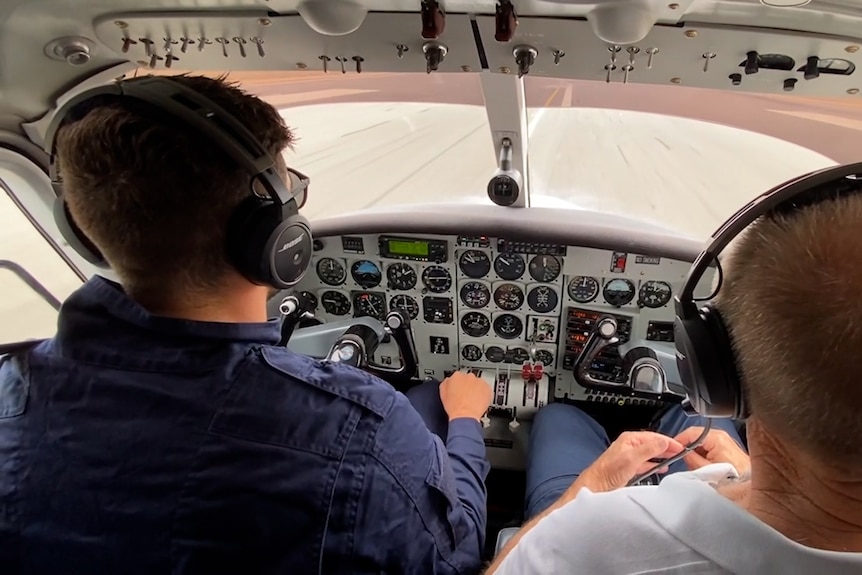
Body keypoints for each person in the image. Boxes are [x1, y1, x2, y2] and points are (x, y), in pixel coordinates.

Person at [0, 74, 493, 574]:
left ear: (81, 231)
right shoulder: (362, 430)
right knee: (443, 401)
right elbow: (457, 558)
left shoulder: (7, 390)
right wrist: (468, 419)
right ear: (275, 238)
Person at [488, 190, 862, 573]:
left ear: (719, 371)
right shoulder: (732, 463)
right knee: (691, 421)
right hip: (731, 476)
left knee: (559, 417)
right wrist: (751, 472)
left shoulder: (577, 540)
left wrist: (592, 484)